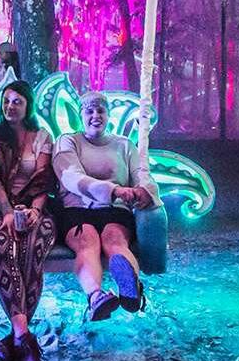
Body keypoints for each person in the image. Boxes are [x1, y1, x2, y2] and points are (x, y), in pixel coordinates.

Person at [53, 91, 159, 322]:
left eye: (100, 111)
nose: (95, 116)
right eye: (89, 111)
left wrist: (145, 191)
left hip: (115, 210)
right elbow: (70, 176)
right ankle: (96, 297)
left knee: (115, 240)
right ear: (81, 115)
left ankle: (131, 289)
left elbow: (142, 174)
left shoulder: (125, 145)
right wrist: (113, 190)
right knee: (86, 242)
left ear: (108, 115)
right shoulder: (68, 141)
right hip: (77, 209)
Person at [0, 81, 55, 361]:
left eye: (17, 102)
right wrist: (9, 212)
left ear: (28, 106)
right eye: (6, 101)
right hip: (1, 208)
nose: (10, 107)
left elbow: (43, 178)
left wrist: (34, 210)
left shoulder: (41, 136)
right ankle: (23, 336)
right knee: (6, 247)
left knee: (31, 250)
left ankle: (16, 338)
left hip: (37, 207)